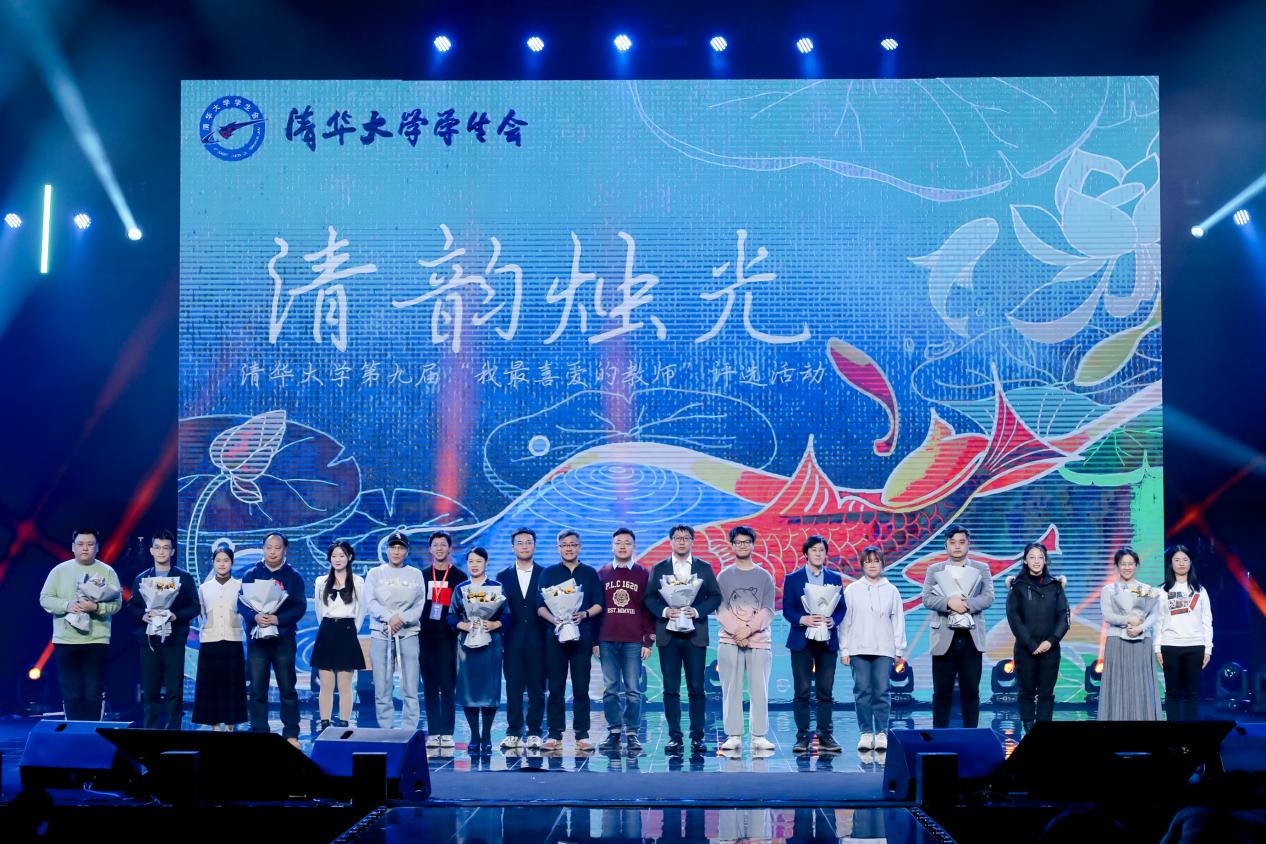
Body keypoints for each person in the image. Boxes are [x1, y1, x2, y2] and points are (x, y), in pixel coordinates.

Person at [643, 524, 721, 756]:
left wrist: (696, 611)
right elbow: (649, 598)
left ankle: (697, 737)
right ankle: (674, 737)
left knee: (696, 688)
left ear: (692, 541)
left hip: (695, 636)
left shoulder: (704, 568)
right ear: (671, 541)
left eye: (686, 538)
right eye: (677, 538)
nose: (681, 541)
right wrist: (665, 611)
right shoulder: (659, 568)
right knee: (670, 689)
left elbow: (715, 597)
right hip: (668, 636)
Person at [39, 527, 122, 720]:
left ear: (97, 547)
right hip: (65, 640)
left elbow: (117, 603)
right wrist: (66, 605)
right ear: (73, 547)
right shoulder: (59, 571)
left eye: (90, 544)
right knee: (71, 690)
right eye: (81, 544)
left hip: (96, 639)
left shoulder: (107, 571)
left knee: (93, 689)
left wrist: (96, 607)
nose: (85, 548)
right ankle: (73, 730)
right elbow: (45, 598)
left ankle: (92, 731)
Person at [921, 526, 994, 728]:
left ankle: (971, 735)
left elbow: (988, 597)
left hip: (972, 639)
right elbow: (926, 598)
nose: (957, 546)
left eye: (961, 542)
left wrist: (966, 605)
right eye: (952, 542)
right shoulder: (935, 569)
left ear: (968, 544)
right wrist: (949, 603)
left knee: (971, 691)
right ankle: (939, 736)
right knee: (941, 692)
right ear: (946, 545)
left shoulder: (981, 568)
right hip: (943, 638)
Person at [536, 529, 603, 752]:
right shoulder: (548, 573)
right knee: (555, 687)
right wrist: (555, 620)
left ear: (580, 547)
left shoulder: (590, 573)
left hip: (582, 637)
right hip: (554, 637)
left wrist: (583, 614)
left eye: (573, 544)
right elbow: (540, 606)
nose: (569, 548)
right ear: (558, 548)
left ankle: (582, 734)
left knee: (581, 688)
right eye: (564, 545)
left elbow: (599, 604)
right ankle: (554, 734)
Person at [125, 530, 200, 729]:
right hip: (149, 640)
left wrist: (175, 615)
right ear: (151, 550)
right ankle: (151, 729)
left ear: (172, 551)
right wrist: (143, 615)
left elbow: (195, 607)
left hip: (174, 639)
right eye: (157, 547)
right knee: (151, 689)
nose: (161, 551)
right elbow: (131, 605)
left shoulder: (184, 578)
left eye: (166, 548)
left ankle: (173, 729)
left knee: (174, 688)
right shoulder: (142, 578)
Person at [239, 532, 307, 747]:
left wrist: (278, 619)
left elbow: (300, 607)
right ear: (263, 549)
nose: (273, 552)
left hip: (283, 640)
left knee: (287, 688)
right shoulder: (251, 574)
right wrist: (254, 617)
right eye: (269, 548)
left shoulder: (294, 576)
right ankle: (259, 731)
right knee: (257, 689)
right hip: (257, 641)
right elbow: (241, 604)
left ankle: (291, 733)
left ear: (285, 550)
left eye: (277, 548)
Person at [782, 535, 847, 754]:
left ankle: (825, 736)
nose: (818, 553)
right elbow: (787, 609)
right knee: (802, 691)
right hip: (802, 640)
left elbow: (842, 608)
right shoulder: (793, 578)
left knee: (825, 691)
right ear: (806, 553)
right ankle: (802, 737)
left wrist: (833, 621)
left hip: (827, 641)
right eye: (814, 550)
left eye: (821, 550)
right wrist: (803, 619)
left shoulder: (835, 578)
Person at [715, 525, 776, 755]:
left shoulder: (764, 576)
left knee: (759, 689)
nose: (742, 545)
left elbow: (768, 609)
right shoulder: (723, 576)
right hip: (729, 641)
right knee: (731, 689)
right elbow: (720, 608)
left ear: (753, 545)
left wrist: (748, 629)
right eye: (738, 542)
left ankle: (759, 736)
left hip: (759, 641)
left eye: (746, 542)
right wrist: (736, 632)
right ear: (732, 545)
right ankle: (733, 735)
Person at [839, 545, 906, 752]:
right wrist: (844, 650)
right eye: (868, 562)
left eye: (876, 561)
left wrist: (898, 649)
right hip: (858, 649)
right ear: (862, 565)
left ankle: (882, 732)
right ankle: (866, 733)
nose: (872, 565)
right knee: (862, 691)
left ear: (882, 564)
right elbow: (845, 622)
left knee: (882, 691)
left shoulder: (891, 590)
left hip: (884, 649)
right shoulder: (852, 590)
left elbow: (898, 621)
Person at [596, 527, 654, 754]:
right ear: (612, 546)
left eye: (627, 543)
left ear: (634, 547)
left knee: (633, 690)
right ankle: (613, 732)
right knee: (610, 689)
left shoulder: (643, 574)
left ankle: (632, 734)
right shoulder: (601, 573)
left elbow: (648, 610)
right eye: (618, 542)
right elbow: (596, 609)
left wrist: (648, 641)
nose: (622, 546)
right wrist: (594, 641)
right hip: (606, 640)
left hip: (633, 641)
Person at [1005, 543, 1070, 732]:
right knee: (1026, 692)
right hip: (1025, 649)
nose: (1036, 561)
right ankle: (1028, 730)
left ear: (1045, 560)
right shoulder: (1017, 586)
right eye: (1032, 557)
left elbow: (1064, 618)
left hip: (1051, 650)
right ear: (1025, 560)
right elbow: (1014, 618)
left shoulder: (1055, 586)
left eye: (1040, 557)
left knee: (1046, 694)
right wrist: (1031, 644)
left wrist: (1051, 641)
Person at [365, 531, 425, 730]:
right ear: (387, 550)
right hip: (381, 634)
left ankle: (409, 730)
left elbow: (419, 605)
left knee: (410, 686)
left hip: (408, 634)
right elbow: (370, 602)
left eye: (400, 548)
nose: (396, 551)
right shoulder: (375, 573)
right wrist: (388, 618)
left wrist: (401, 619)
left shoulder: (415, 574)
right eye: (393, 547)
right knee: (382, 686)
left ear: (406, 551)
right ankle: (386, 730)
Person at [451, 547, 508, 754]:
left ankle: (487, 735)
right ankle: (474, 735)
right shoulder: (461, 588)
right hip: (467, 645)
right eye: (471, 561)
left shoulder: (497, 587)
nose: (474, 565)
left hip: (491, 644)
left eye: (479, 561)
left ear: (486, 563)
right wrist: (463, 625)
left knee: (490, 691)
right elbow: (451, 615)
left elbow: (507, 615)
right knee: (469, 691)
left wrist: (495, 624)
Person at [496, 527, 546, 750]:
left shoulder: (545, 573)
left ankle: (535, 732)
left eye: (528, 542)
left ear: (534, 545)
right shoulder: (502, 576)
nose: (524, 546)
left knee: (537, 688)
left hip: (538, 640)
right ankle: (514, 732)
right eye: (520, 542)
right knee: (513, 688)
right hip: (512, 641)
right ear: (512, 547)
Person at [1098, 547, 1162, 721]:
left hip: (1142, 640)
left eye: (1130, 564)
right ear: (1117, 566)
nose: (1127, 567)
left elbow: (1154, 614)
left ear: (1136, 565)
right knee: (1117, 683)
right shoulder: (1109, 589)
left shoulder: (1146, 589)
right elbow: (1107, 615)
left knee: (1141, 683)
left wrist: (1141, 627)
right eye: (1123, 564)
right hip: (1117, 640)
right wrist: (1129, 619)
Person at [312, 540, 367, 731]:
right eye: (334, 556)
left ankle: (344, 724)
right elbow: (319, 610)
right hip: (327, 630)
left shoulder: (358, 582)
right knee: (326, 684)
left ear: (349, 557)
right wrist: (327, 628)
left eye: (341, 555)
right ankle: (325, 723)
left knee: (345, 685)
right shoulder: (320, 582)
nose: (337, 559)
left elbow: (361, 611)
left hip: (347, 631)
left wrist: (350, 631)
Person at [1155, 544, 1213, 721]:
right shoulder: (1162, 591)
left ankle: (1189, 732)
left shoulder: (1200, 591)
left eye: (1185, 559)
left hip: (1195, 646)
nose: (1181, 563)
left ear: (1190, 562)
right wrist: (1157, 648)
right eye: (1177, 560)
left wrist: (1208, 649)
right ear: (1171, 563)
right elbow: (1158, 621)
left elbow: (1207, 621)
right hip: (1170, 646)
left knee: (1191, 693)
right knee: (1172, 692)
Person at [419, 531, 465, 749]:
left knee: (447, 685)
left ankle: (447, 732)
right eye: (435, 545)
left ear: (449, 548)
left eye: (443, 544)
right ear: (430, 549)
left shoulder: (459, 577)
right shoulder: (422, 576)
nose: (439, 548)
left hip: (448, 638)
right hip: (425, 637)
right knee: (429, 686)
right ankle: (434, 731)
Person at [193, 545, 246, 730]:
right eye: (218, 560)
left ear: (232, 562)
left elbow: (245, 612)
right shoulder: (204, 588)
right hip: (210, 642)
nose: (222, 564)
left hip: (233, 641)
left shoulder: (240, 586)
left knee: (232, 685)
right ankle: (214, 726)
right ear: (213, 562)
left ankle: (230, 725)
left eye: (226, 560)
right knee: (211, 686)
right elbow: (200, 614)